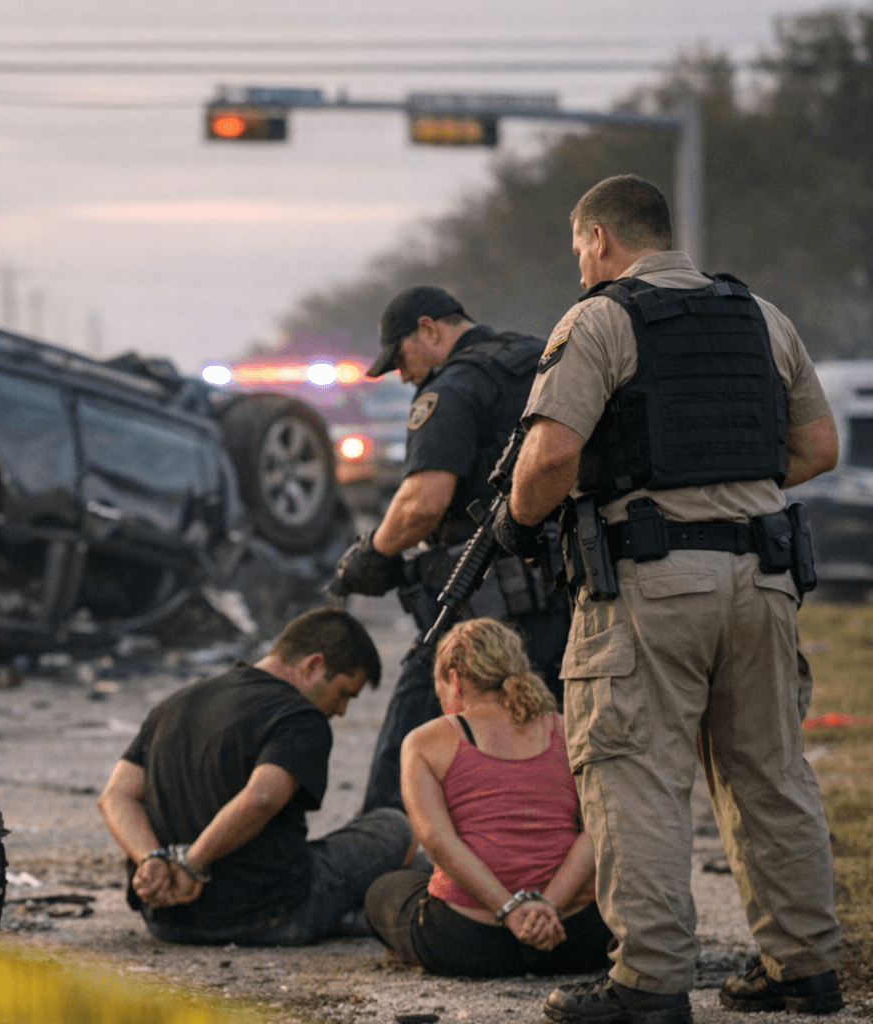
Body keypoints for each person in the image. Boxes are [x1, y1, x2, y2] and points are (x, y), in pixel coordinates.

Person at [493, 174, 843, 1023]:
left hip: (652, 586)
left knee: (634, 774)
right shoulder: (761, 316)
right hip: (763, 579)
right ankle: (804, 967)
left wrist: (517, 522)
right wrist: (727, 488)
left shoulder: (602, 318)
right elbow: (819, 447)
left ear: (602, 240)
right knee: (770, 773)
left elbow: (546, 461)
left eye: (581, 248)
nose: (580, 264)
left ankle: (648, 982)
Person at [330, 285, 570, 815]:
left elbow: (423, 499)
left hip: (484, 603)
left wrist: (373, 552)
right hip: (565, 593)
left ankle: (379, 863)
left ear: (428, 329)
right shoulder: (541, 358)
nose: (403, 374)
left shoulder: (455, 385)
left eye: (400, 358)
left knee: (412, 728)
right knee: (552, 744)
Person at [96, 607, 414, 945]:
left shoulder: (176, 703)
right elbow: (262, 796)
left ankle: (352, 913)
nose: (341, 710)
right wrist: (191, 864)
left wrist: (154, 860)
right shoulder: (299, 717)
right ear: (313, 666)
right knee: (393, 827)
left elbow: (116, 795)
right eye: (344, 693)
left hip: (167, 921)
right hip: (270, 915)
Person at [365, 617, 612, 978]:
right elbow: (595, 832)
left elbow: (436, 840)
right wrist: (545, 909)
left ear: (454, 680)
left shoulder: (424, 741)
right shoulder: (568, 728)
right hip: (576, 939)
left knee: (382, 890)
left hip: (467, 943)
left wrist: (511, 911)